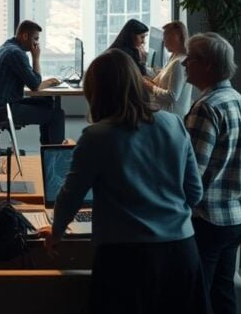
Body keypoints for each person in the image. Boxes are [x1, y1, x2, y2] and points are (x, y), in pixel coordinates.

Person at [40, 49, 208, 314]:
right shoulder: (174, 124)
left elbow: (70, 196)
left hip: (125, 260)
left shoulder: (96, 136)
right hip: (181, 252)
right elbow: (194, 192)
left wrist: (56, 233)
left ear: (96, 92)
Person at [182, 32, 241, 314]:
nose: (184, 64)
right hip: (237, 217)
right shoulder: (240, 102)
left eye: (190, 59)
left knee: (196, 298)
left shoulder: (206, 108)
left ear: (208, 65)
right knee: (222, 293)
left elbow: (192, 173)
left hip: (208, 220)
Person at [0, 20, 65, 145]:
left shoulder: (6, 47)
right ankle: (53, 156)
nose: (37, 43)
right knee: (56, 115)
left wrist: (46, 82)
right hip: (3, 110)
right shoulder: (16, 53)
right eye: (35, 39)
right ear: (25, 36)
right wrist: (35, 57)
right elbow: (35, 85)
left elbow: (30, 81)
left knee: (47, 103)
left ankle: (48, 151)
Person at [143, 21, 192, 116]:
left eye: (166, 36)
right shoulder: (174, 56)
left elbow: (172, 96)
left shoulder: (179, 62)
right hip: (164, 112)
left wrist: (150, 87)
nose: (163, 40)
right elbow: (163, 79)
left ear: (177, 36)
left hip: (170, 116)